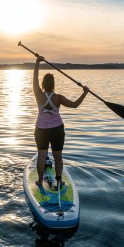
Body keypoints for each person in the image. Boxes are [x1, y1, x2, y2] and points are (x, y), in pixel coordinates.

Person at [33, 55, 89, 190]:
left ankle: (40, 181)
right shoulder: (59, 98)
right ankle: (59, 182)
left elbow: (34, 79)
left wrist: (37, 63)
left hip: (41, 129)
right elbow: (75, 105)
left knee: (42, 156)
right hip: (57, 130)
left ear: (43, 84)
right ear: (53, 84)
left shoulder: (38, 95)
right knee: (58, 157)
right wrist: (85, 93)